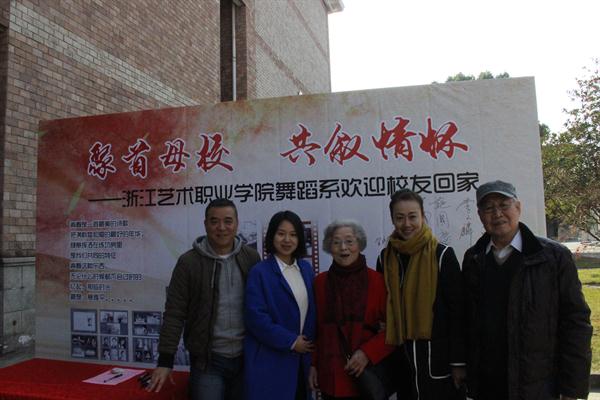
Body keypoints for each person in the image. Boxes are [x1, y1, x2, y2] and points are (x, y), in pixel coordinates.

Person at [462, 180, 592, 400]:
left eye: (504, 205)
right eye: (489, 208)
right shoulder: (473, 259)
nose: (497, 214)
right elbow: (466, 320)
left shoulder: (553, 257)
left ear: (518, 207)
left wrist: (572, 388)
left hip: (538, 385)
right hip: (488, 383)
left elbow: (576, 322)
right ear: (480, 215)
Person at [147, 198, 261, 399]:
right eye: (214, 221)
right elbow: (174, 313)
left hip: (247, 358)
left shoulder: (251, 258)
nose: (221, 228)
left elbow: (261, 307)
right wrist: (165, 361)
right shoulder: (188, 263)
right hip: (208, 362)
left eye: (228, 221)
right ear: (205, 224)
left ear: (236, 223)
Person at [377, 189, 466, 400]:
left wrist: (458, 362)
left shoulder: (441, 254)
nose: (406, 224)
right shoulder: (385, 258)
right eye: (400, 217)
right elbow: (383, 306)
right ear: (392, 220)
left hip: (437, 359)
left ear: (423, 216)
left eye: (412, 216)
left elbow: (459, 313)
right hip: (402, 360)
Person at [310, 220, 394, 400]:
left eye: (349, 241)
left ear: (360, 244)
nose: (343, 248)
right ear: (329, 247)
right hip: (330, 377)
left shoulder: (378, 282)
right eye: (336, 242)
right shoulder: (320, 283)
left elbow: (394, 330)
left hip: (366, 376)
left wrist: (367, 353)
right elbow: (316, 330)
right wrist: (313, 364)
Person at [243, 210, 316, 400]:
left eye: (293, 234)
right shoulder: (260, 272)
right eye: (281, 233)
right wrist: (291, 341)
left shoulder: (306, 269)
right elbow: (256, 319)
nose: (287, 240)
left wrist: (310, 357)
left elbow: (313, 314)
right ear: (271, 236)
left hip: (302, 363)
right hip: (270, 361)